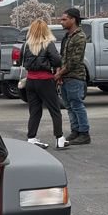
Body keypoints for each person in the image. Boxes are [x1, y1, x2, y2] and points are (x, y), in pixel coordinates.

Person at [20, 19, 67, 150]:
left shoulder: (26, 45)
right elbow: (57, 60)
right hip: (45, 80)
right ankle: (59, 138)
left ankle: (31, 137)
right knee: (54, 110)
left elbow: (20, 61)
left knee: (34, 111)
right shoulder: (48, 44)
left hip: (30, 81)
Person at [56, 7, 90, 145]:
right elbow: (62, 56)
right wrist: (58, 72)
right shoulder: (67, 37)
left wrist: (59, 73)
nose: (61, 22)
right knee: (69, 106)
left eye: (64, 19)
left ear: (73, 19)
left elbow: (74, 61)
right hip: (65, 77)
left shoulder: (80, 37)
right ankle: (75, 131)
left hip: (75, 77)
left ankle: (84, 133)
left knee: (77, 105)